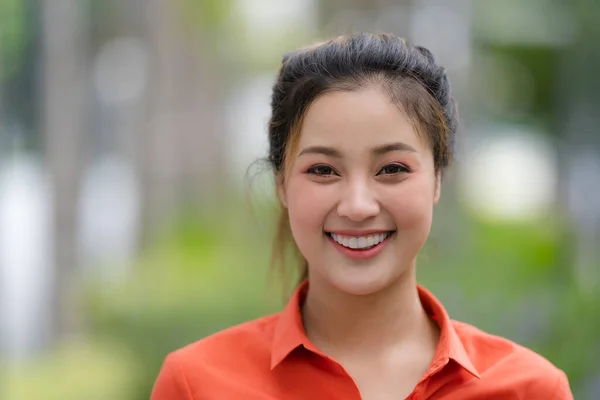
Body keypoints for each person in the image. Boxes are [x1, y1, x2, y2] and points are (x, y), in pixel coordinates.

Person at [150, 32, 573, 400]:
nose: (357, 205)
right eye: (322, 170)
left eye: (392, 169)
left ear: (438, 180)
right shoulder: (195, 385)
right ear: (281, 184)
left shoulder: (531, 390)